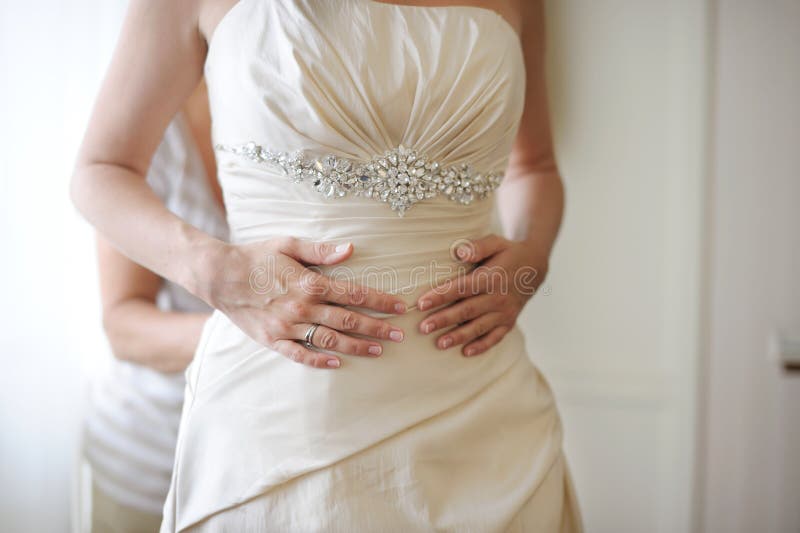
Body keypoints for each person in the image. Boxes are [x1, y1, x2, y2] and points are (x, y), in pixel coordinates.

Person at [71, 0, 583, 531]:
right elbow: (100, 170)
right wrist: (215, 270)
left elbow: (536, 166)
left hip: (483, 407)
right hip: (287, 411)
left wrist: (532, 257)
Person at [80, 78, 228, 532]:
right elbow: (123, 325)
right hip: (153, 452)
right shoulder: (152, 129)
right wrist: (249, 334)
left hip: (257, 455)